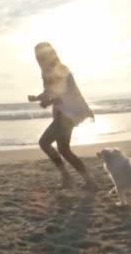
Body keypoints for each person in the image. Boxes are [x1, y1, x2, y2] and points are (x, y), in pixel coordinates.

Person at [28, 42, 97, 190]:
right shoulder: (46, 72)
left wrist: (48, 100)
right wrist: (38, 98)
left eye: (40, 56)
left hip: (69, 113)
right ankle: (89, 181)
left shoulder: (60, 69)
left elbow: (62, 93)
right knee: (64, 149)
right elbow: (49, 92)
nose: (38, 59)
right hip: (63, 113)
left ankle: (67, 176)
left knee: (44, 143)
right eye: (37, 57)